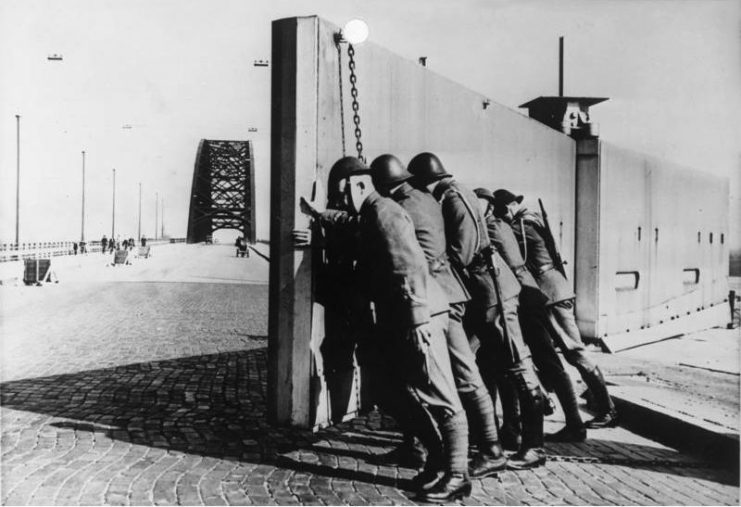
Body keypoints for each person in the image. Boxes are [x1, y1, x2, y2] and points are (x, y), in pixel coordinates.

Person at [302, 160, 472, 502]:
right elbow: (350, 223)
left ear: (357, 186)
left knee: (440, 392)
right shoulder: (373, 211)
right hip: (404, 316)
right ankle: (439, 460)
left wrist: (418, 320)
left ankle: (457, 474)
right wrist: (319, 215)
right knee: (398, 388)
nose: (341, 200)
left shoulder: (383, 212)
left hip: (421, 315)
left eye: (342, 193)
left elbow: (408, 266)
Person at [369, 155, 506, 480]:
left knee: (433, 376)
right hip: (450, 293)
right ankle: (486, 448)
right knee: (460, 373)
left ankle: (474, 453)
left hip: (431, 298)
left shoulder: (400, 207)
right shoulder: (426, 198)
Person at [407, 152, 545, 470]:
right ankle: (497, 443)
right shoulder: (460, 191)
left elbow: (464, 251)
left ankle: (535, 446)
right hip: (488, 289)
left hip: (493, 289)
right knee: (500, 365)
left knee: (518, 364)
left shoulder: (453, 197)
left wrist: (438, 265)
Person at [492, 188, 618, 429]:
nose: (504, 215)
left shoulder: (522, 227)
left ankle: (607, 408)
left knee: (574, 352)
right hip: (551, 291)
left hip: (550, 292)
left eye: (503, 210)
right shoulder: (531, 221)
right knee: (552, 354)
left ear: (508, 207)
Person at [474, 188, 586, 442]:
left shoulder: (492, 229)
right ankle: (518, 426)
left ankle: (519, 428)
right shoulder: (504, 225)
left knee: (520, 360)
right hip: (529, 294)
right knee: (529, 360)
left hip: (522, 296)